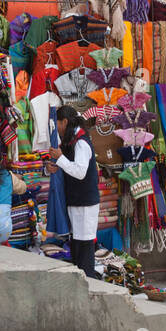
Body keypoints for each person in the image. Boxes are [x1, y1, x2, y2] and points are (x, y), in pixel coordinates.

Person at [46, 104, 101, 278]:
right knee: (77, 242)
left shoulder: (82, 143)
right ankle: (83, 279)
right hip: (76, 200)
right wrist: (54, 167)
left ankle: (89, 280)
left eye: (58, 124)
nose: (58, 128)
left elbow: (79, 171)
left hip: (85, 202)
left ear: (65, 121)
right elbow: (67, 166)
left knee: (84, 245)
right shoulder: (70, 141)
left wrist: (60, 158)